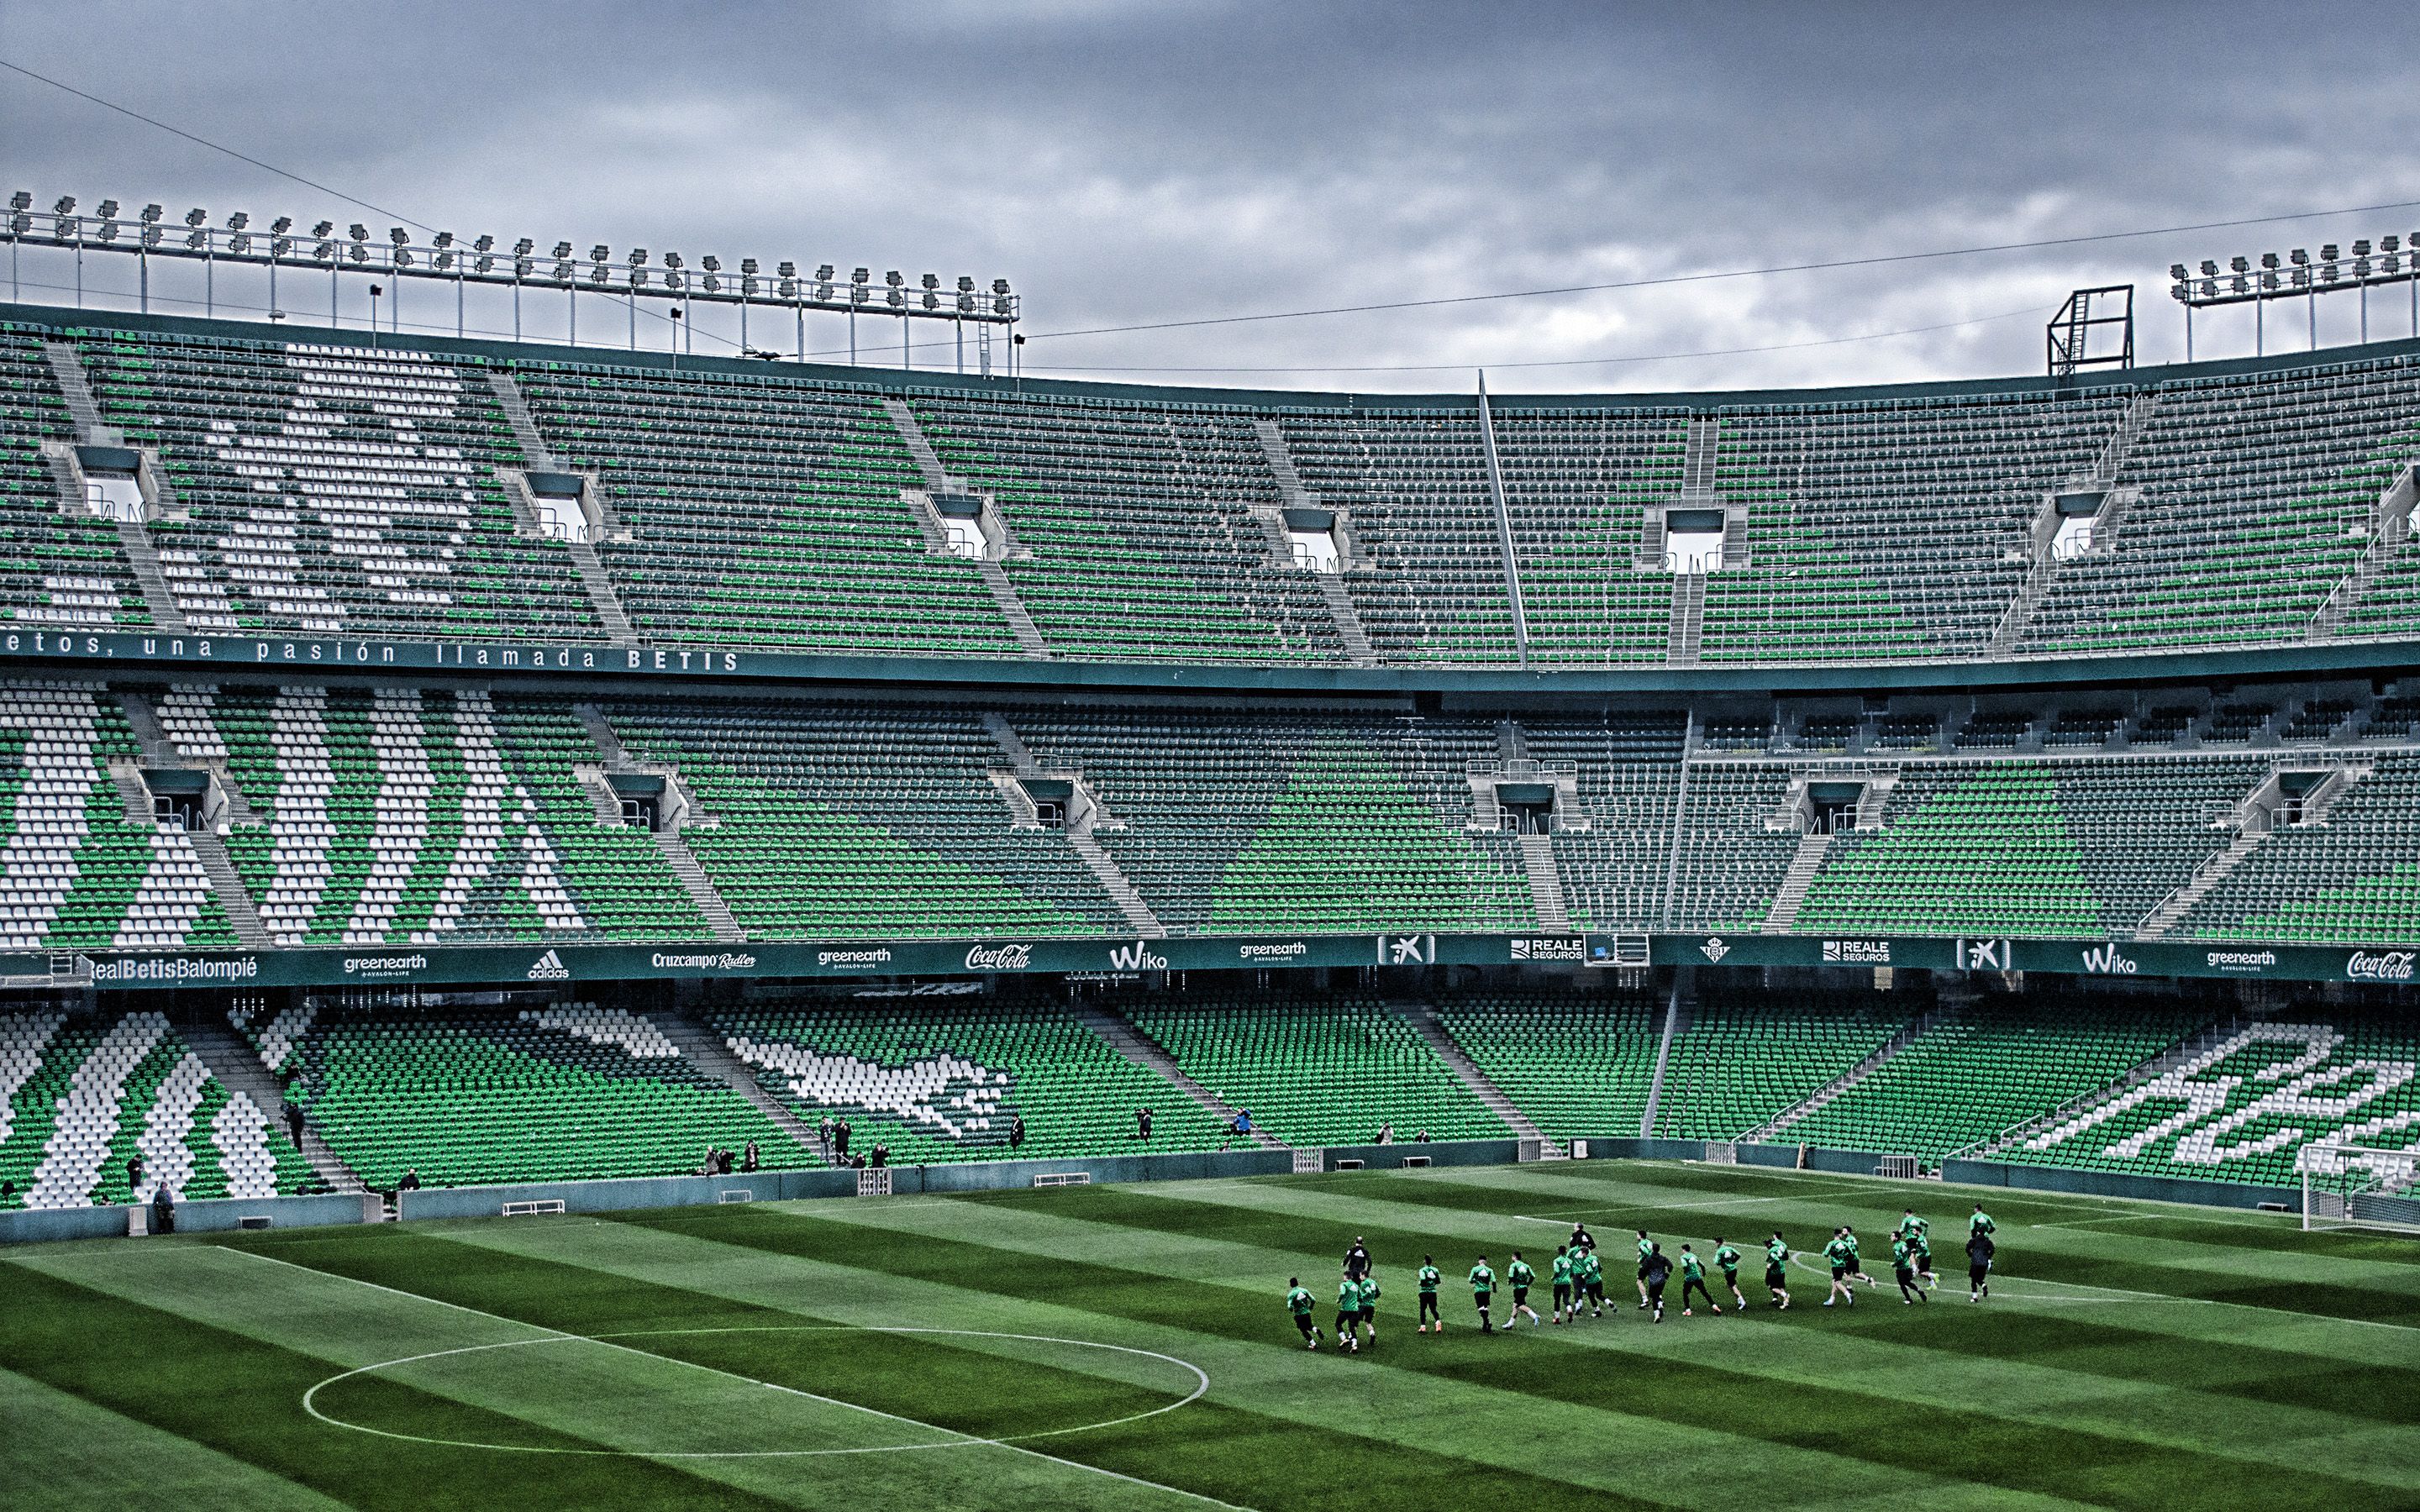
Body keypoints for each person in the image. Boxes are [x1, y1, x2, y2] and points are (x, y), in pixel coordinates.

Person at [1678, 1244, 1720, 1316]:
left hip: (1689, 1278)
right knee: (1704, 1292)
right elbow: (1702, 1265)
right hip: (1697, 1276)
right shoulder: (1694, 1256)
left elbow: (1685, 1265)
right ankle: (1714, 1306)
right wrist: (1703, 1273)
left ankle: (1688, 1310)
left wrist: (1686, 1271)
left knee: (1685, 1293)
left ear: (1684, 1250)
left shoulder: (1683, 1257)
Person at [1823, 1227, 1857, 1307]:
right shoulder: (1845, 1244)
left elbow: (1826, 1254)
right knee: (1834, 1281)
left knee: (1837, 1282)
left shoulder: (1832, 1243)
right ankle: (1832, 1299)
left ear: (1834, 1234)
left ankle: (1848, 1295)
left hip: (1835, 1266)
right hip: (1843, 1265)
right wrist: (1844, 1258)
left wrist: (1827, 1253)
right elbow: (1851, 1253)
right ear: (1840, 1234)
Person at [1286, 1277, 1323, 1349]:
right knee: (1309, 1326)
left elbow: (1289, 1306)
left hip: (1299, 1315)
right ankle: (1315, 1329)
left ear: (1291, 1285)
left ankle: (1313, 1344)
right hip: (1307, 1312)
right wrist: (1311, 1306)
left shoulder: (1291, 1294)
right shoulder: (1304, 1290)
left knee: (1303, 1330)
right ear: (1297, 1283)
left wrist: (1291, 1309)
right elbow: (1313, 1300)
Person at [1712, 1237, 1748, 1312]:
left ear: (1718, 1243)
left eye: (1716, 1242)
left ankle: (1742, 1301)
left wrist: (1718, 1261)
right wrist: (1733, 1261)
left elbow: (1717, 1262)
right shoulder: (1729, 1248)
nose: (1715, 1244)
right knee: (1729, 1285)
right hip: (1734, 1269)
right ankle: (1739, 1299)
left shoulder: (1719, 1251)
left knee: (1733, 1286)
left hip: (1728, 1271)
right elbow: (1738, 1254)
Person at [1506, 1251, 1540, 1326]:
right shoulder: (1526, 1266)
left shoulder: (1513, 1265)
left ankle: (1535, 1316)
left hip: (1518, 1289)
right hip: (1524, 1288)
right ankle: (1510, 1324)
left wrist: (1510, 1282)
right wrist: (1527, 1283)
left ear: (1514, 1257)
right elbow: (1533, 1276)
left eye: (1512, 1256)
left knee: (1519, 1306)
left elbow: (1510, 1276)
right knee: (1515, 1305)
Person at [1641, 1242, 1673, 1322]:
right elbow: (1670, 1266)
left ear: (1652, 1249)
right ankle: (1660, 1304)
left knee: (1654, 1297)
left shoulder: (1648, 1259)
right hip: (1662, 1280)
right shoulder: (1663, 1258)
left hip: (1653, 1281)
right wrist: (1667, 1274)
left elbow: (1644, 1268)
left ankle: (1657, 1314)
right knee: (1658, 1294)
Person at [1891, 1234, 1928, 1305]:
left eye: (1892, 1236)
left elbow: (1900, 1259)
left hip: (1901, 1268)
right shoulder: (1903, 1243)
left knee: (1902, 1284)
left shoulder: (1896, 1247)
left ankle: (1908, 1299)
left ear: (1896, 1237)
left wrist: (1894, 1264)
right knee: (1907, 1282)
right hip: (1908, 1267)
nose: (1891, 1237)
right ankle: (1919, 1290)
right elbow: (1909, 1253)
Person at [1468, 1255, 1497, 1333]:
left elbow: (1470, 1280)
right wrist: (1494, 1289)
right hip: (1487, 1291)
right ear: (1485, 1261)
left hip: (1478, 1291)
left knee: (1480, 1308)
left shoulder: (1475, 1269)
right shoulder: (1489, 1270)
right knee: (1485, 1307)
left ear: (1479, 1261)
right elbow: (1494, 1281)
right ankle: (1485, 1326)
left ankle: (1487, 1322)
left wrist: (1476, 1280)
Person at [1336, 1273, 1364, 1354]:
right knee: (1352, 1327)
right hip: (1354, 1310)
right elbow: (1361, 1297)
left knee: (1338, 1324)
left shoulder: (1344, 1285)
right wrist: (1357, 1303)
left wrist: (1338, 1300)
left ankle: (1344, 1339)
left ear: (1345, 1277)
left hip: (1345, 1309)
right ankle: (1354, 1346)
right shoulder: (1356, 1286)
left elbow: (1342, 1293)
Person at [1576, 1242, 1606, 1318]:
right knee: (1598, 1295)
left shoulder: (1586, 1261)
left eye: (1581, 1253)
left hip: (1591, 1281)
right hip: (1598, 1279)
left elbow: (1589, 1271)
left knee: (1591, 1297)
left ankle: (1597, 1311)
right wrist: (1597, 1274)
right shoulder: (1594, 1257)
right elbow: (1600, 1268)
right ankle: (1608, 1305)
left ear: (1584, 1253)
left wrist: (1584, 1276)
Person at [1765, 1231, 1792, 1310]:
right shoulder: (1782, 1245)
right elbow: (1786, 1257)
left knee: (1772, 1286)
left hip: (1775, 1270)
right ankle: (1785, 1302)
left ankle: (1783, 1296)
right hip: (1782, 1268)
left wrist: (1771, 1266)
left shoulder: (1772, 1247)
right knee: (1780, 1286)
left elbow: (1774, 1259)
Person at [1417, 1255, 1444, 1333]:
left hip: (1424, 1292)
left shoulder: (1423, 1270)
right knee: (1433, 1309)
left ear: (1425, 1261)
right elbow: (1438, 1281)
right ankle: (1438, 1322)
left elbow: (1423, 1278)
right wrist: (1432, 1282)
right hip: (1433, 1292)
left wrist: (1420, 1283)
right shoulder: (1435, 1270)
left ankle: (1423, 1327)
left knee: (1422, 1309)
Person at [1966, 1228, 1996, 1302]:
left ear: (1978, 1233)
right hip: (1984, 1263)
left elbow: (1967, 1248)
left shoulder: (1974, 1240)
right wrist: (1988, 1257)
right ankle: (1983, 1285)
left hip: (1975, 1262)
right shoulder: (1988, 1241)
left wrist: (1971, 1255)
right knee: (1979, 1278)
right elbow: (1992, 1250)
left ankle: (1975, 1297)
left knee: (1974, 1280)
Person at [1549, 1245, 1574, 1324]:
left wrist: (1553, 1277)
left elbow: (1557, 1271)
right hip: (1567, 1283)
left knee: (1557, 1301)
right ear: (1566, 1251)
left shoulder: (1557, 1260)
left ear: (1559, 1251)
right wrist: (1568, 1278)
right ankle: (1569, 1309)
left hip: (1558, 1283)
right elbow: (1572, 1272)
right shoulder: (1570, 1261)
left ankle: (1557, 1319)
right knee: (1566, 1299)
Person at [1356, 1270, 1381, 1347]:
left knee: (1355, 1321)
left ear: (1364, 1275)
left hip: (1363, 1305)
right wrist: (1372, 1299)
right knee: (1368, 1322)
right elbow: (1379, 1293)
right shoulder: (1373, 1282)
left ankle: (1351, 1337)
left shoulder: (1364, 1283)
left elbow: (1368, 1292)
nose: (1360, 1277)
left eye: (1360, 1275)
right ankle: (1372, 1334)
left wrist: (1360, 1297)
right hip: (1371, 1306)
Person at [1909, 1223, 1936, 1291]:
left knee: (1920, 1272)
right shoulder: (1922, 1236)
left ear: (1918, 1231)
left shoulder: (1920, 1240)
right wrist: (1916, 1250)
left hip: (1925, 1258)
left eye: (1914, 1231)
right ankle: (1933, 1285)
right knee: (1926, 1271)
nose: (1913, 1232)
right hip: (1927, 1256)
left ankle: (1935, 1275)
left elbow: (1924, 1250)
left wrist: (1918, 1255)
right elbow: (1925, 1232)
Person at [1634, 1229, 1655, 1310]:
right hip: (1653, 1263)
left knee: (1639, 1281)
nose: (1636, 1236)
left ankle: (1645, 1300)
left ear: (1640, 1236)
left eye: (1637, 1234)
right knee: (1653, 1281)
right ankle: (1659, 1299)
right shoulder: (1649, 1242)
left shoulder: (1641, 1243)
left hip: (1646, 1265)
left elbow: (1647, 1253)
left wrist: (1640, 1259)